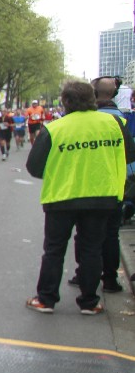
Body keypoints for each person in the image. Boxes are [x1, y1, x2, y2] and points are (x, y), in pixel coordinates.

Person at [25, 81, 131, 314]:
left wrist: (60, 171)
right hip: (102, 195)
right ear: (93, 98)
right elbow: (129, 155)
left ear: (65, 101)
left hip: (61, 197)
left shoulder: (54, 129)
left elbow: (34, 167)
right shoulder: (115, 124)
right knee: (92, 249)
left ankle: (46, 299)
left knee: (54, 250)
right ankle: (89, 302)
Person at [64, 77, 135, 295]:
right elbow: (130, 155)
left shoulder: (77, 120)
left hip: (83, 186)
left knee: (85, 236)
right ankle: (110, 279)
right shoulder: (123, 119)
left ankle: (83, 275)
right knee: (111, 234)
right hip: (114, 186)